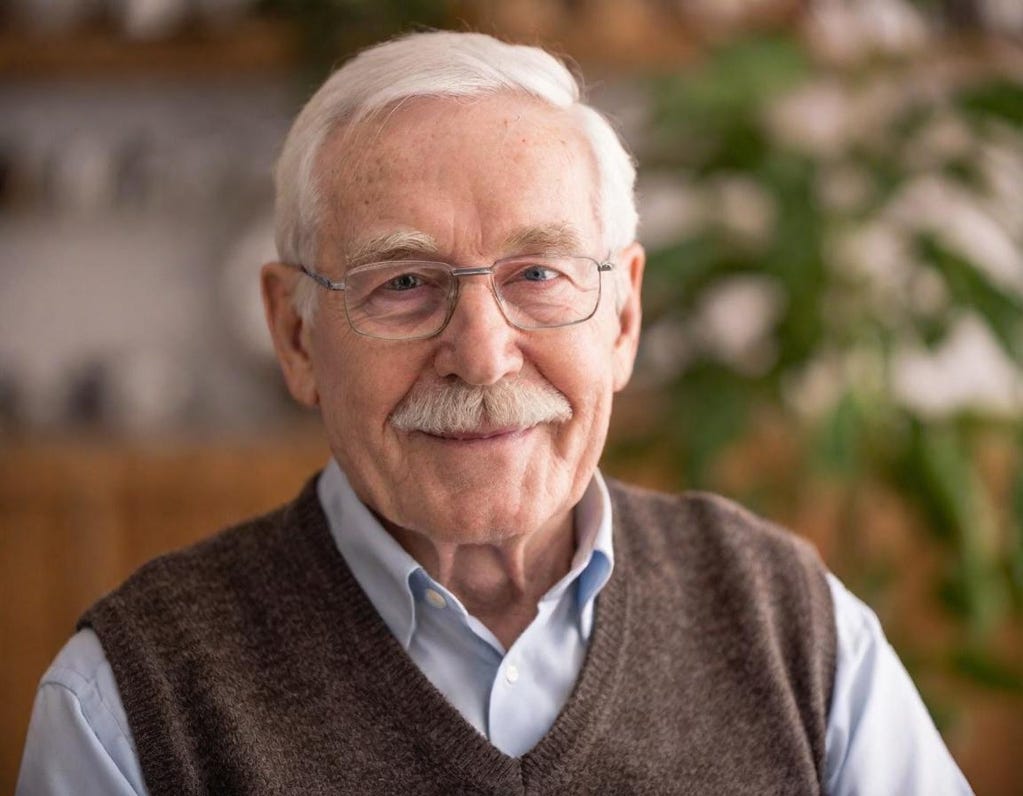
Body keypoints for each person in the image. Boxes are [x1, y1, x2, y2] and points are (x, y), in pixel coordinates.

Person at [18, 31, 972, 795]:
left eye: (538, 275)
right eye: (402, 282)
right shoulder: (128, 701)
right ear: (295, 335)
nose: (481, 355)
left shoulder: (792, 626)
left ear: (623, 318)